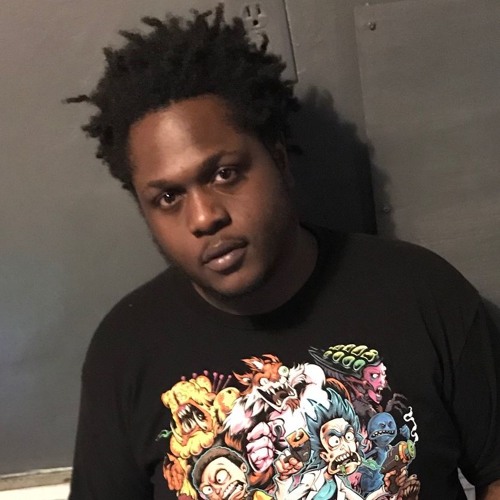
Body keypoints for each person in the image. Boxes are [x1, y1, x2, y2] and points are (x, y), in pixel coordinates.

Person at [67, 5, 500, 500]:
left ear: (277, 160)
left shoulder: (422, 294)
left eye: (224, 173)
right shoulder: (125, 351)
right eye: (168, 197)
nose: (204, 216)